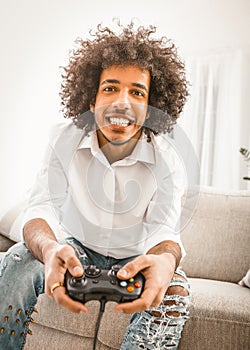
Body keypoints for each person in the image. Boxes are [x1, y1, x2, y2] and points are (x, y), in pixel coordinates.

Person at [0, 22, 191, 349]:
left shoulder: (169, 160)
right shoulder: (64, 138)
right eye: (110, 88)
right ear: (91, 100)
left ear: (150, 108)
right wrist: (49, 249)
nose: (122, 102)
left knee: (174, 295)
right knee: (17, 259)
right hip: (77, 247)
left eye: (137, 92)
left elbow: (164, 230)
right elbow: (41, 206)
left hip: (136, 257)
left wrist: (164, 261)